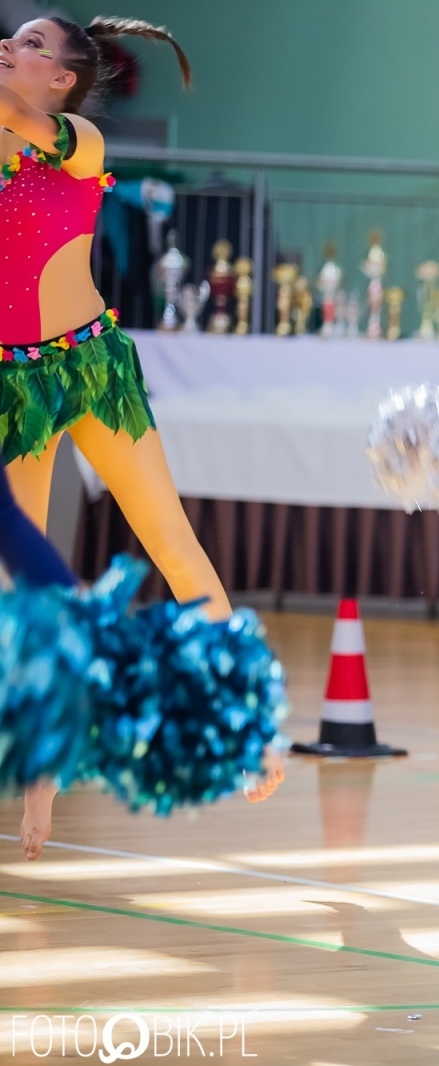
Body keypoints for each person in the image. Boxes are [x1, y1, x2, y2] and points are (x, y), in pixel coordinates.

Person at [0, 15, 282, 859]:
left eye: (28, 43)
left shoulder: (75, 139)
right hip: (14, 382)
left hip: (92, 368)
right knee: (31, 584)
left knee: (172, 543)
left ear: (63, 78)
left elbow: (28, 127)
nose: (9, 45)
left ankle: (249, 730)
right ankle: (44, 779)